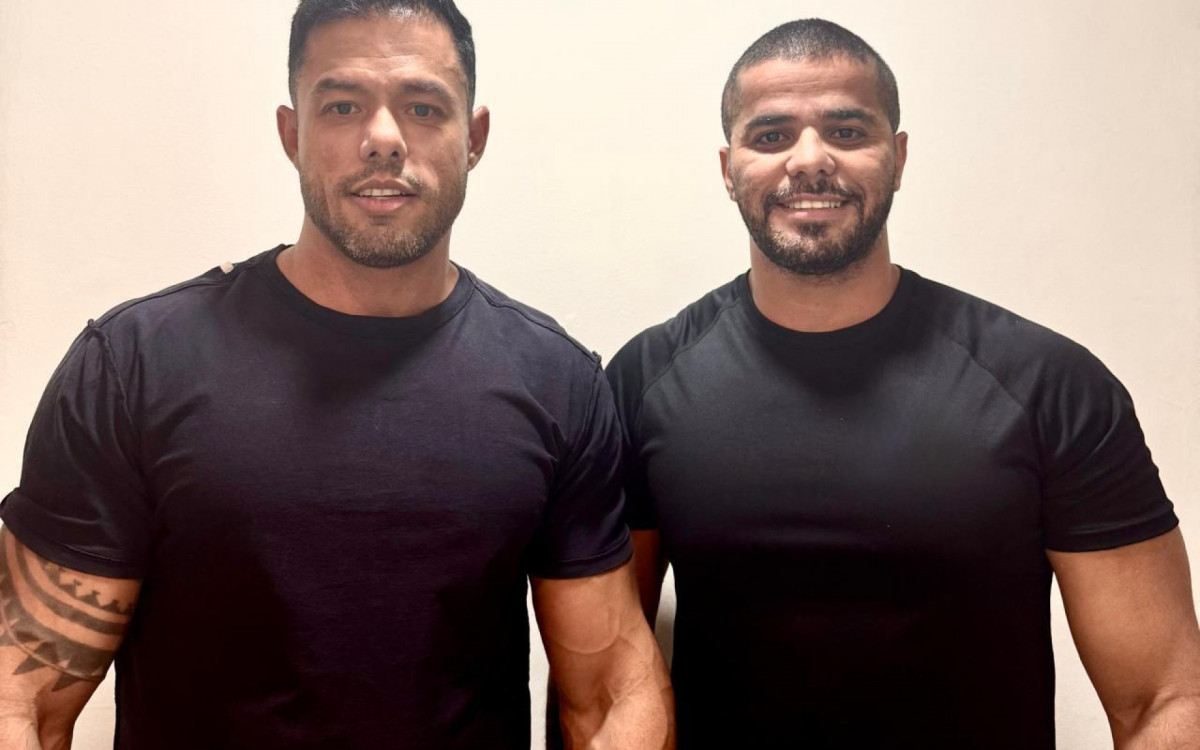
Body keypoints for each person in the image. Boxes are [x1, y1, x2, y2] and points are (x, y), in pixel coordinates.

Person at [0, 1, 673, 748]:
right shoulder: (134, 364)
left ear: (474, 138)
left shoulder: (556, 381)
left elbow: (612, 694)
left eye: (423, 107)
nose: (383, 138)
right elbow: (23, 700)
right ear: (292, 134)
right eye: (343, 105)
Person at [606, 18, 1200, 749]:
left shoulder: (1050, 386)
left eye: (847, 131)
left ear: (898, 157)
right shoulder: (644, 382)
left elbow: (1165, 698)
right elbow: (610, 684)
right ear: (728, 169)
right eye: (772, 135)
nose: (810, 159)